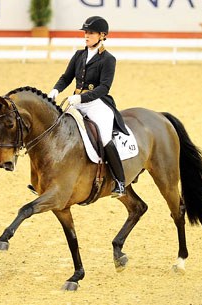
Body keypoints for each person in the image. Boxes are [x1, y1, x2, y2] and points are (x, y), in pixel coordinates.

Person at [48, 16, 129, 197]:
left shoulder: (108, 59)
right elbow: (66, 77)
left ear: (102, 35)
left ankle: (120, 182)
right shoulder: (79, 55)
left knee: (105, 137)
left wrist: (82, 98)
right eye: (85, 33)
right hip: (76, 101)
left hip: (97, 104)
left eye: (90, 33)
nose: (86, 36)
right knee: (57, 127)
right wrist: (55, 90)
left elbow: (104, 87)